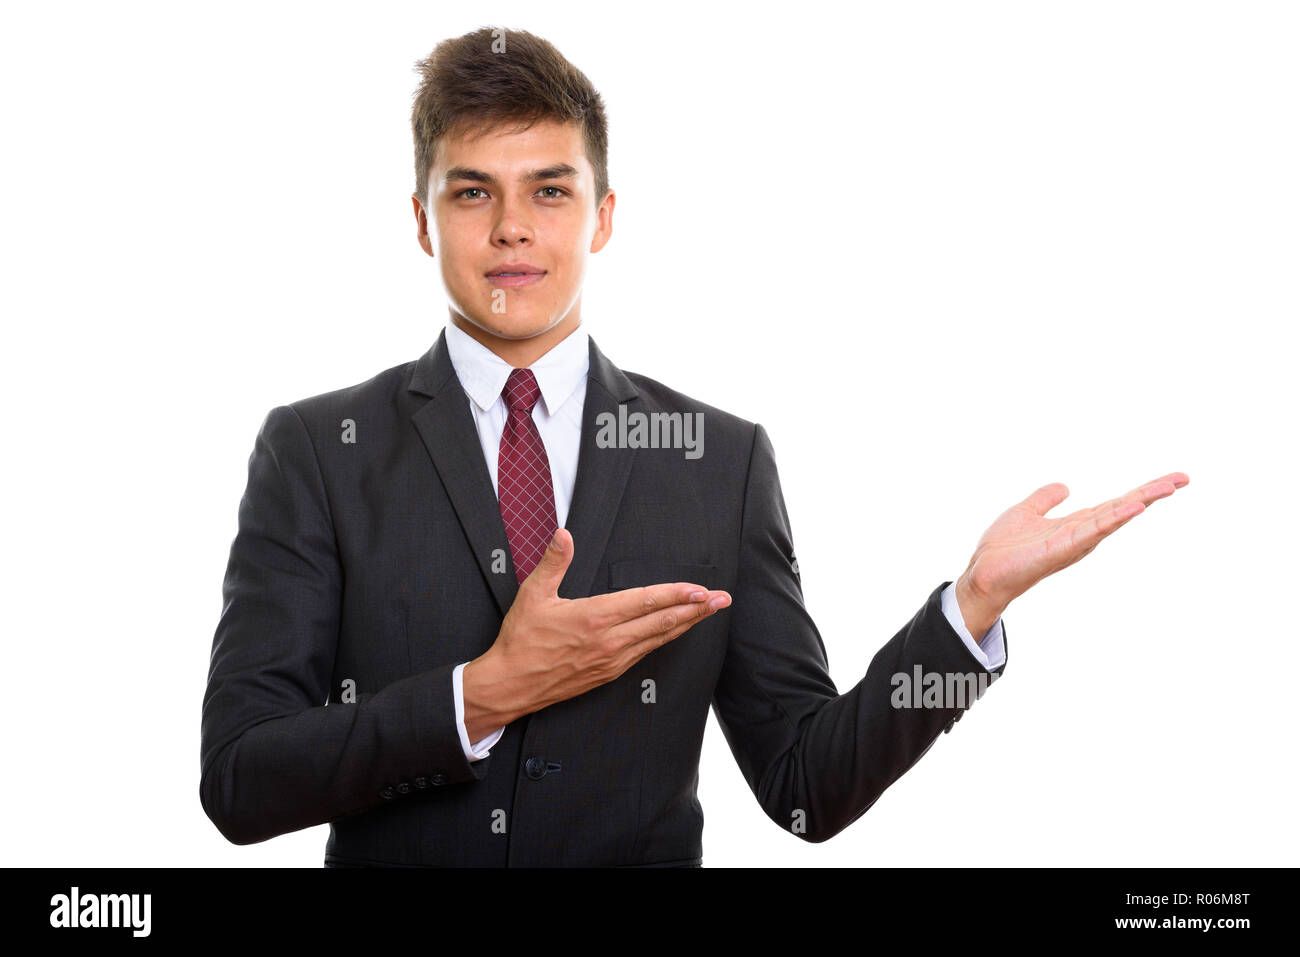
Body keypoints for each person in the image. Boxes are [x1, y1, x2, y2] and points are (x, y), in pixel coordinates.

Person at [199, 26, 1188, 867]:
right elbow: (239, 782)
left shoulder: (718, 463)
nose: (511, 230)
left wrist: (967, 612)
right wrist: (481, 696)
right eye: (471, 194)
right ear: (422, 220)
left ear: (603, 217)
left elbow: (807, 783)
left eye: (549, 191)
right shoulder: (317, 452)